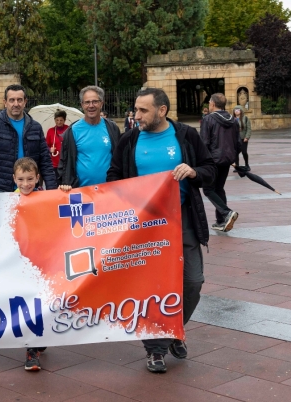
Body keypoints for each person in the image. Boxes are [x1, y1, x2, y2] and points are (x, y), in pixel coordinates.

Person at [107, 88, 215, 374]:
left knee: (193, 282)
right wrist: (130, 198)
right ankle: (155, 350)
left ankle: (173, 330)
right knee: (150, 290)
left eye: (143, 110)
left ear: (162, 110)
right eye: (136, 109)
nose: (136, 115)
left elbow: (210, 169)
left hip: (184, 221)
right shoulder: (129, 139)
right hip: (144, 229)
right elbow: (113, 176)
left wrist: (193, 172)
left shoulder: (185, 136)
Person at [0, 157, 70, 371]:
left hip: (42, 262)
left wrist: (64, 189)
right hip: (19, 264)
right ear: (13, 179)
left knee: (43, 303)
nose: (26, 184)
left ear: (38, 178)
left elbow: (63, 205)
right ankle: (31, 350)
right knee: (27, 304)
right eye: (21, 179)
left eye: (30, 179)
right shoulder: (6, 199)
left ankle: (37, 340)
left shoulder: (46, 198)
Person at [0, 84, 57, 192]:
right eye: (12, 100)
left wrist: (52, 190)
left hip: (29, 189)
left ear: (25, 101)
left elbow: (45, 161)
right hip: (1, 190)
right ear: (5, 102)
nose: (16, 104)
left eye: (19, 100)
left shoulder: (35, 127)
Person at [58, 86, 120, 188]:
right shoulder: (72, 130)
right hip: (81, 193)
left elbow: (118, 159)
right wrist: (65, 183)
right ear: (82, 105)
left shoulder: (112, 128)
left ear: (101, 103)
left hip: (109, 191)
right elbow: (65, 162)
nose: (91, 105)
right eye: (87, 102)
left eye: (95, 101)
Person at [200, 93, 241, 232]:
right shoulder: (233, 120)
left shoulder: (208, 119)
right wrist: (233, 158)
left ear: (212, 103)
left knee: (208, 189)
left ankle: (226, 212)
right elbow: (238, 142)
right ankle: (221, 221)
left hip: (212, 160)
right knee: (219, 188)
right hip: (227, 160)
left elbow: (204, 142)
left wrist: (201, 161)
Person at [233, 106, 251, 171]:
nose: (236, 111)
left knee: (244, 152)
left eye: (238, 110)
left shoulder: (245, 118)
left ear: (241, 111)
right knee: (235, 153)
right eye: (235, 110)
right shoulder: (232, 119)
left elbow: (249, 129)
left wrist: (247, 137)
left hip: (243, 138)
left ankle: (247, 165)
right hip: (235, 139)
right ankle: (237, 166)